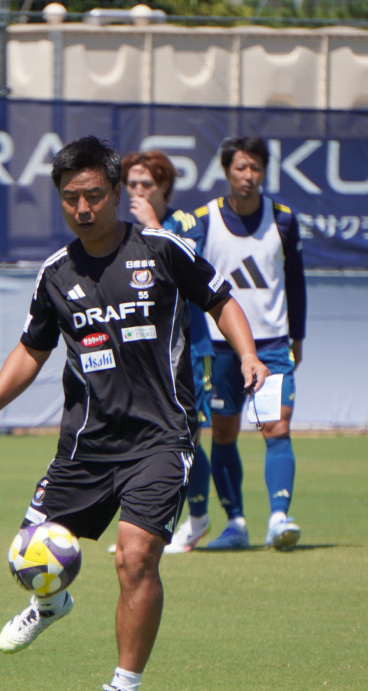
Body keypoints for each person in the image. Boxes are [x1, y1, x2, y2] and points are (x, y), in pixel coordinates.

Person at [0, 136, 268, 691]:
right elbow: (33, 348)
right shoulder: (55, 274)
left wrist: (248, 354)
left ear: (114, 194)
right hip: (86, 445)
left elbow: (221, 301)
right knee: (28, 555)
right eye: (71, 198)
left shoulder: (160, 248)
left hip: (161, 437)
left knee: (135, 557)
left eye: (95, 196)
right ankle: (50, 604)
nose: (83, 208)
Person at [165, 136, 307, 552]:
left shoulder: (283, 220)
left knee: (275, 427)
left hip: (273, 347)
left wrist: (298, 338)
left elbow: (295, 283)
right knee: (223, 434)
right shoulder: (203, 220)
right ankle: (236, 524)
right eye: (241, 168)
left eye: (256, 168)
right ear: (227, 171)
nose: (248, 176)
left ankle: (279, 519)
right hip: (223, 348)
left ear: (264, 172)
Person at [119, 151, 216, 555]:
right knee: (144, 437)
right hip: (148, 351)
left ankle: (197, 520)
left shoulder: (185, 224)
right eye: (132, 184)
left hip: (190, 347)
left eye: (146, 184)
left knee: (187, 438)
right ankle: (144, 524)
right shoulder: (125, 232)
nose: (137, 191)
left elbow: (186, 270)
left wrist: (154, 227)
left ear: (163, 187)